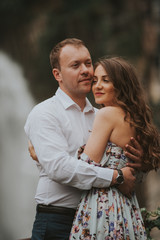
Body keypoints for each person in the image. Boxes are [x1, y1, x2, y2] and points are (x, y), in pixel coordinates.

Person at [24, 38, 148, 240]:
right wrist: (116, 177)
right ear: (58, 74)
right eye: (75, 65)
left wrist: (137, 166)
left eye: (88, 63)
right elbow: (60, 169)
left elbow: (131, 176)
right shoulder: (45, 113)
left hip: (105, 218)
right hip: (58, 220)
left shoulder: (104, 116)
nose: (86, 71)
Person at [69, 57, 160, 239]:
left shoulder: (106, 114)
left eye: (106, 80)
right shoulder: (135, 119)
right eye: (95, 81)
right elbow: (139, 170)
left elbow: (84, 166)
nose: (97, 86)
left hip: (103, 206)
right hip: (126, 208)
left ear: (121, 85)